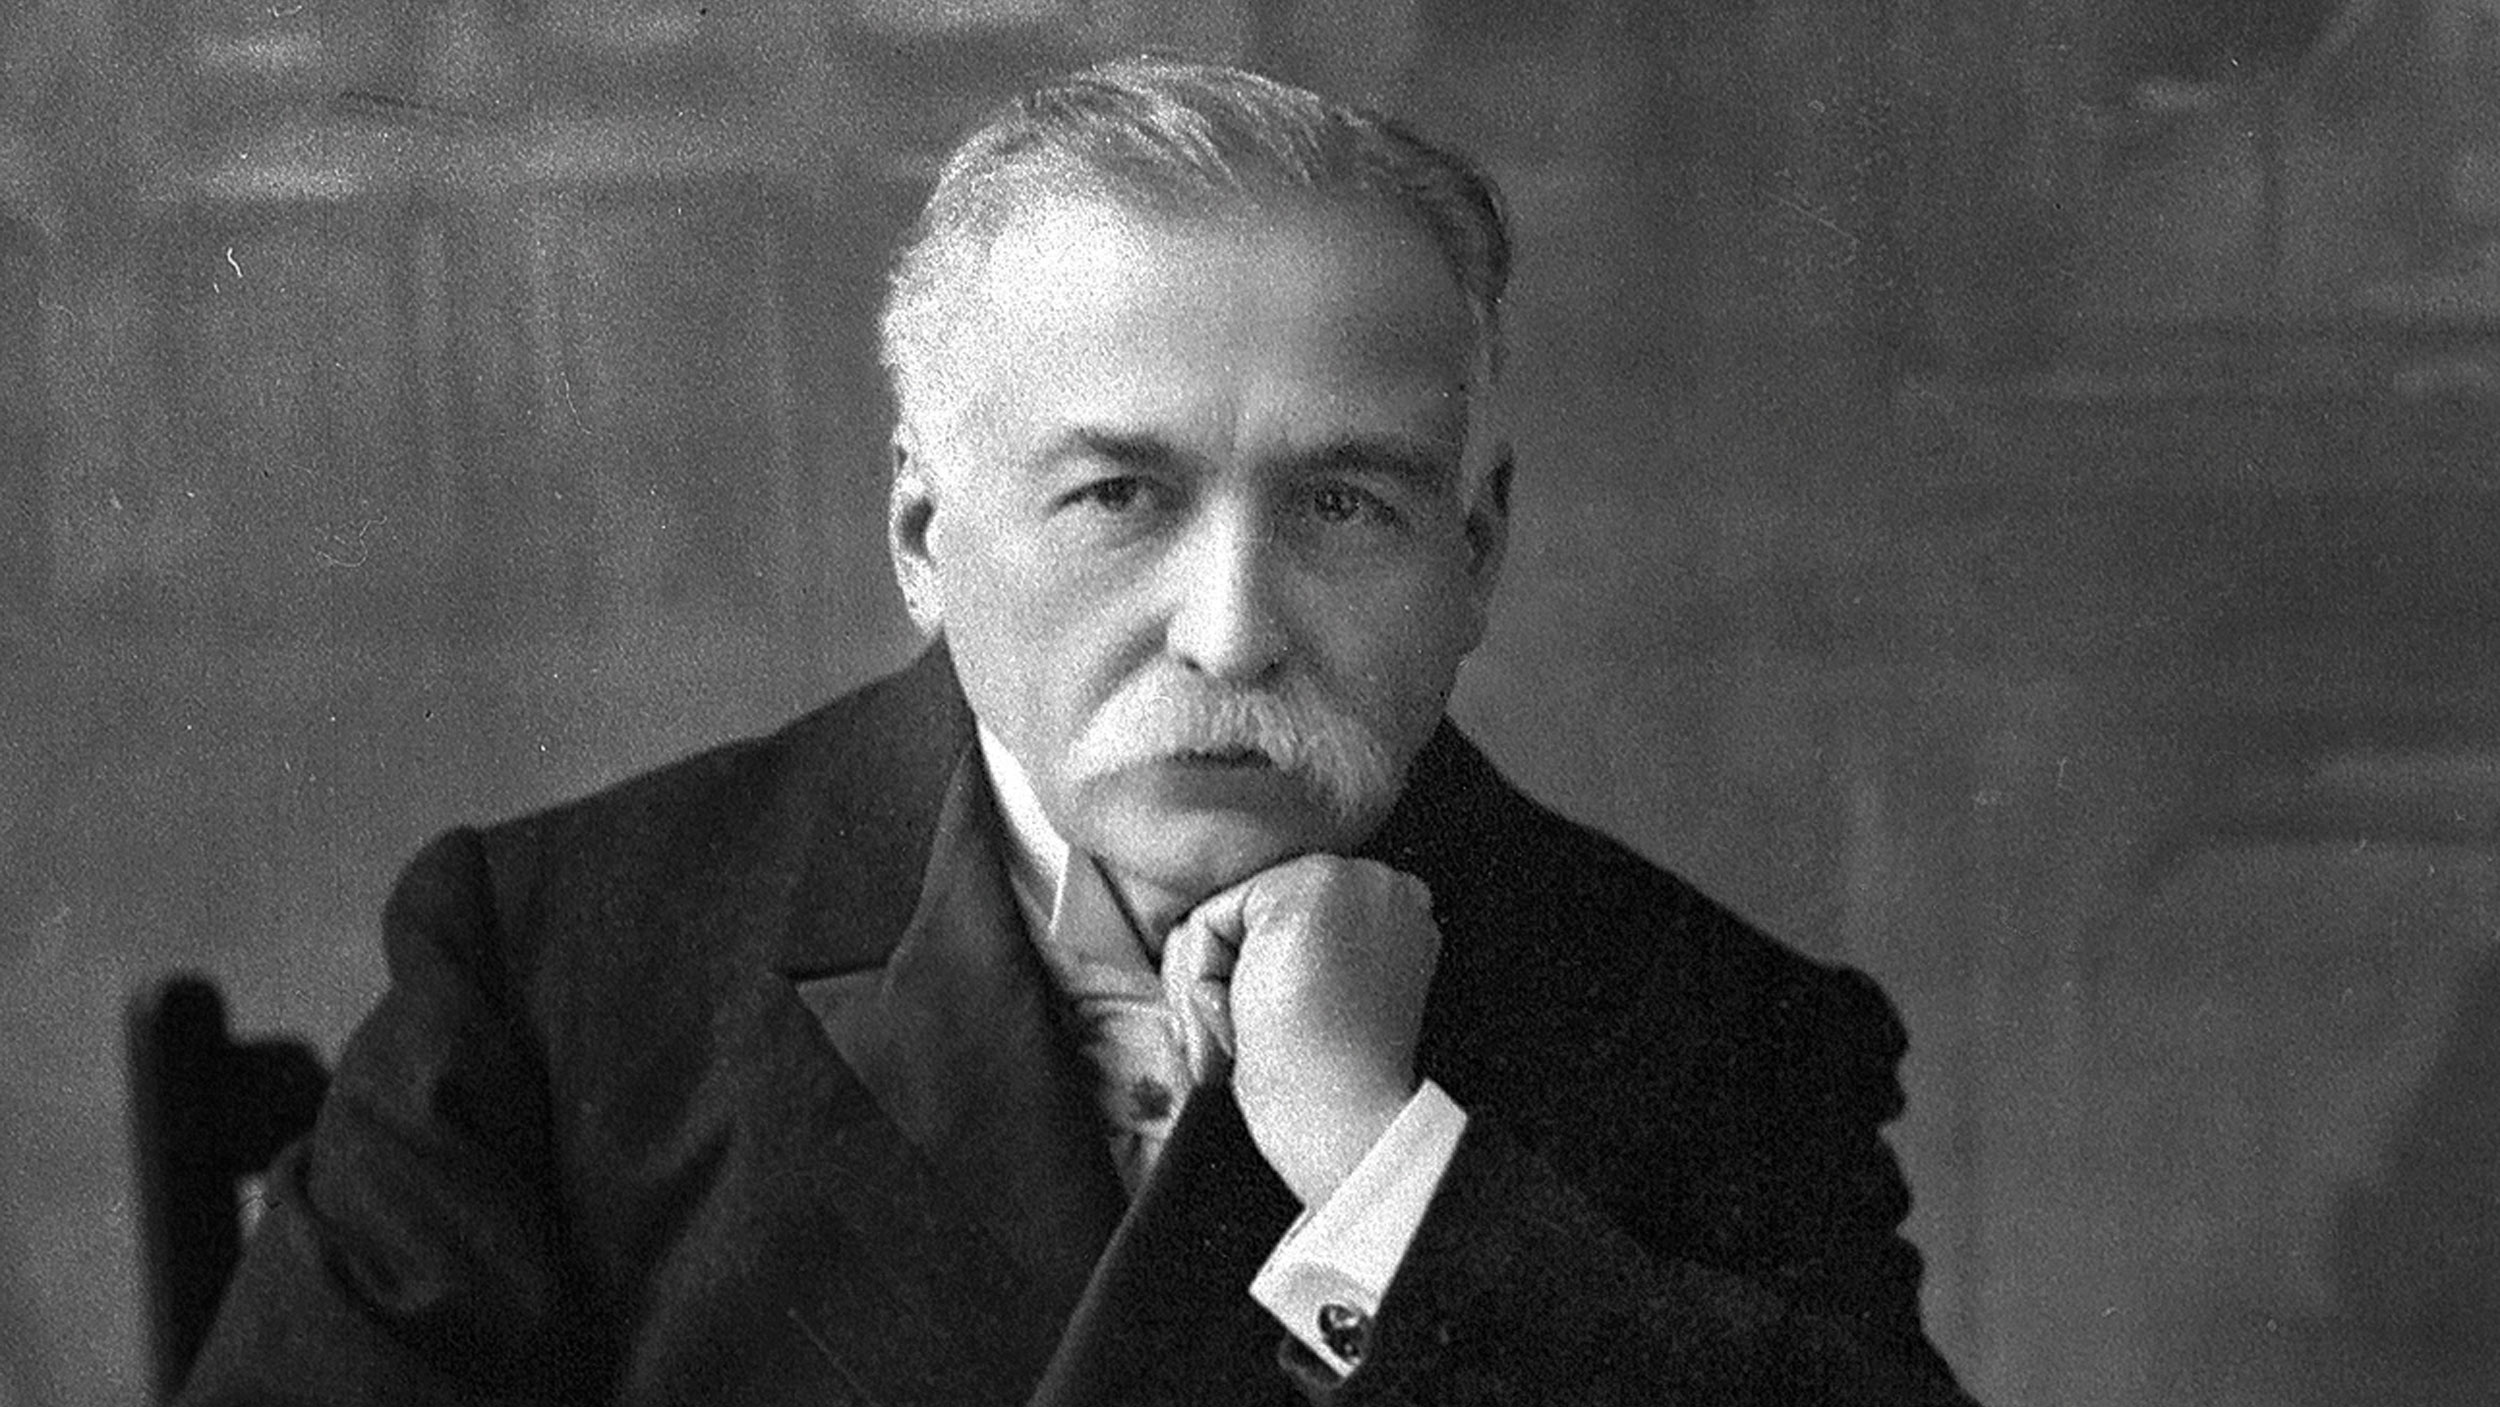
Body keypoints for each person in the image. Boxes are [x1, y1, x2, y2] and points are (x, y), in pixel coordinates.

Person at [181, 57, 1978, 1407]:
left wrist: (1384, 1169)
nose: (1232, 630)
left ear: (1476, 551)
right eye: (1121, 495)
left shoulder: (1722, 1036)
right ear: (924, 538)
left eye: (1344, 505)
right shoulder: (556, 969)